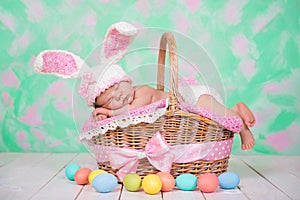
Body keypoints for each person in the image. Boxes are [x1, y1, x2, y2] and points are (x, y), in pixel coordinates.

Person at [92, 77, 256, 150]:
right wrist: (104, 116)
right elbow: (123, 116)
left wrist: (107, 110)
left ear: (127, 82)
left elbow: (132, 111)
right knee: (219, 114)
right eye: (110, 101)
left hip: (194, 98)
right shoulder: (122, 107)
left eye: (117, 88)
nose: (118, 95)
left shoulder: (142, 91)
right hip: (188, 103)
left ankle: (243, 129)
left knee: (212, 110)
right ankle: (235, 109)